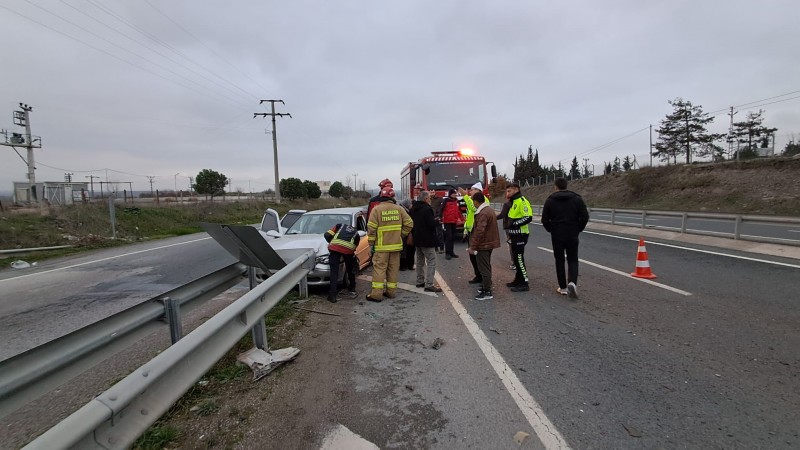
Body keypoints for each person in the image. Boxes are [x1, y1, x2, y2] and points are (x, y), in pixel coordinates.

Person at [541, 177, 589, 298]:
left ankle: (562, 287)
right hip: (572, 233)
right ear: (566, 185)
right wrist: (578, 229)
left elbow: (544, 219)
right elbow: (585, 216)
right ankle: (572, 283)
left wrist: (551, 229)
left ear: (555, 186)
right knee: (573, 259)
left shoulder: (550, 200)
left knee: (559, 259)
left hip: (557, 234)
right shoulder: (577, 199)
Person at [366, 187, 414, 302]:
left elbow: (371, 229)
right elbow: (409, 224)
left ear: (381, 197)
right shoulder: (399, 209)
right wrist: (401, 235)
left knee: (379, 270)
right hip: (396, 246)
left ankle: (376, 295)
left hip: (381, 247)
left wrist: (371, 244)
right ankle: (391, 292)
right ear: (393, 197)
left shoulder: (376, 210)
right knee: (393, 269)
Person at [467, 192, 501, 300]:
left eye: (473, 201)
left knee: (484, 267)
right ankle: (486, 286)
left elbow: (479, 231)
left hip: (483, 244)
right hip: (488, 243)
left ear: (476, 201)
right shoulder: (488, 210)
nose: (473, 204)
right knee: (486, 265)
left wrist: (473, 246)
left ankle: (487, 291)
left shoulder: (483, 213)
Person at [409, 191, 442, 292]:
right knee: (431, 260)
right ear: (425, 199)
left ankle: (419, 281)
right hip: (427, 238)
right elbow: (430, 223)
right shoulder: (427, 209)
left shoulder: (413, 209)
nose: (430, 200)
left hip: (417, 237)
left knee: (419, 261)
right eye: (429, 198)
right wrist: (437, 221)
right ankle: (429, 284)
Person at [504, 183, 533, 292]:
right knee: (516, 259)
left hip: (520, 234)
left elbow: (528, 217)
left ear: (516, 190)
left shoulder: (522, 201)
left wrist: (515, 224)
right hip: (514, 235)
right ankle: (518, 280)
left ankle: (524, 283)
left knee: (519, 259)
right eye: (507, 191)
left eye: (509, 191)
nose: (507, 194)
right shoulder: (514, 202)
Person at [323, 223, 360, 303]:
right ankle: (352, 288)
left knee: (334, 272)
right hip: (348, 250)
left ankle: (332, 295)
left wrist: (331, 243)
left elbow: (327, 235)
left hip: (335, 248)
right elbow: (356, 245)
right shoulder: (356, 233)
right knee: (350, 269)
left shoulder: (340, 226)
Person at [459, 183, 484, 284]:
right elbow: (469, 216)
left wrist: (465, 196)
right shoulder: (471, 200)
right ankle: (478, 275)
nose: (470, 191)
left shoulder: (483, 200)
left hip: (477, 231)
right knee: (472, 256)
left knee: (479, 256)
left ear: (478, 191)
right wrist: (465, 230)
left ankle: (483, 277)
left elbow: (474, 208)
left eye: (473, 189)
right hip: (471, 231)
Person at [438, 188, 463, 259]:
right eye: (454, 193)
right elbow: (441, 209)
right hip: (447, 221)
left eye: (455, 193)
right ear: (450, 194)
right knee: (448, 237)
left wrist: (462, 219)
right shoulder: (446, 200)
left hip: (454, 221)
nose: (455, 194)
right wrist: (440, 217)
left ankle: (452, 252)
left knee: (452, 237)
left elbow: (459, 211)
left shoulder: (456, 201)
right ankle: (447, 253)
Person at [399, 198, 415, 271]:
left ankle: (405, 265)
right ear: (407, 205)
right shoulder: (404, 212)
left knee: (405, 249)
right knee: (405, 249)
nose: (411, 205)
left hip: (404, 232)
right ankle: (405, 265)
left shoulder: (404, 210)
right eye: (410, 204)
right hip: (404, 232)